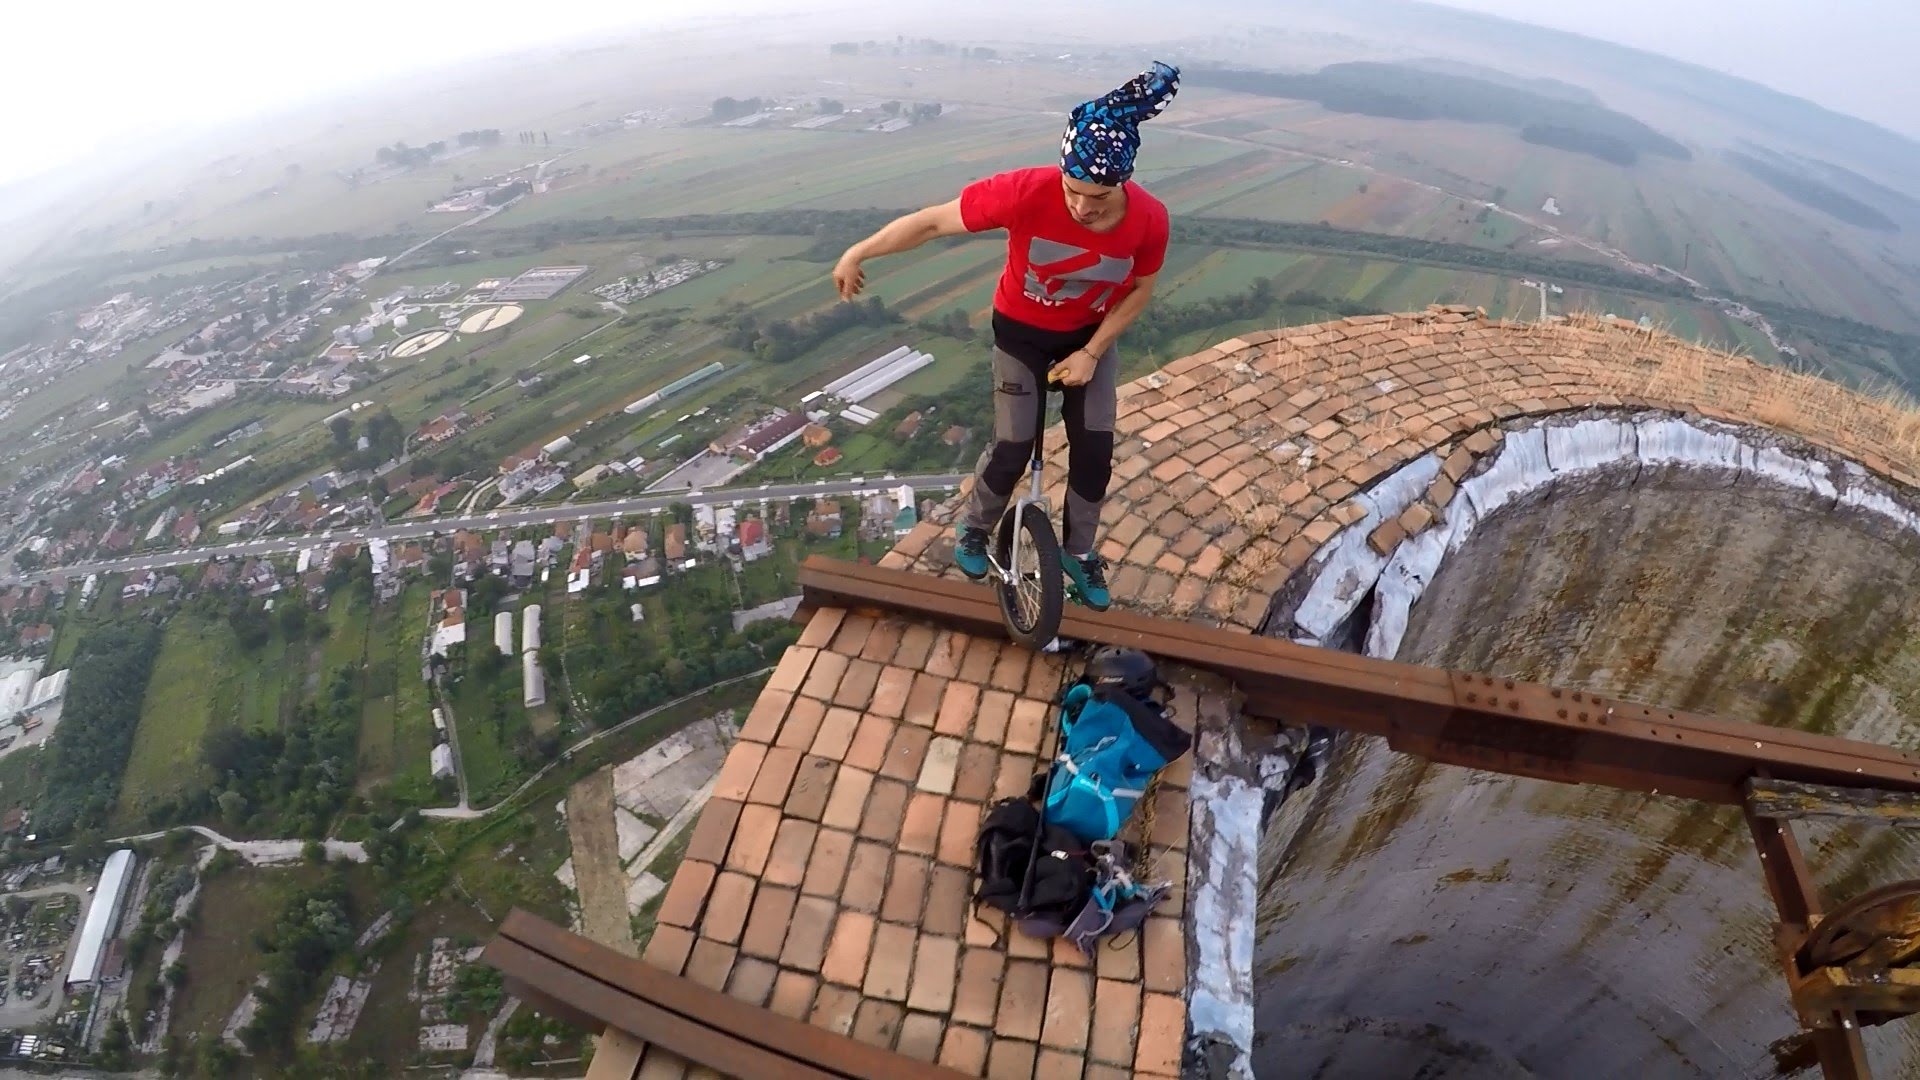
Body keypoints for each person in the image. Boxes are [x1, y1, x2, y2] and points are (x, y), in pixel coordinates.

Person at [832, 61, 1180, 612]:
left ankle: (1079, 552)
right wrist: (858, 252)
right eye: (1073, 191)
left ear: (1123, 183)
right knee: (1014, 444)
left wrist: (1092, 352)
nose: (1082, 208)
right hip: (1021, 334)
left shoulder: (1150, 219)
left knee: (1095, 449)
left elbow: (1140, 290)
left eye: (1099, 197)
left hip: (1090, 337)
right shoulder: (1024, 192)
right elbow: (931, 222)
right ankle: (974, 529)